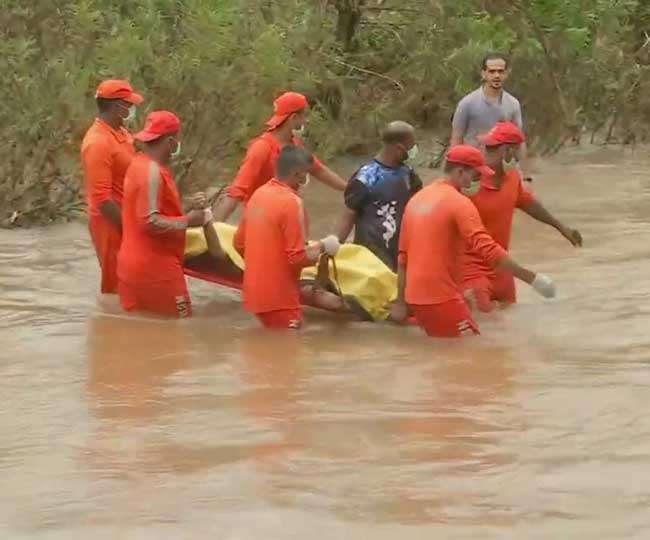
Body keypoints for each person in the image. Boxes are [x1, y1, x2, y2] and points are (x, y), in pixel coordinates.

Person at [391, 145, 556, 338]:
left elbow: (403, 257)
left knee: (448, 353)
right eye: (475, 176)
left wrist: (401, 302)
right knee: (474, 352)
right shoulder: (459, 203)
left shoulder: (418, 199)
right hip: (440, 297)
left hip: (416, 298)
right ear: (460, 172)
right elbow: (487, 248)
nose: (477, 182)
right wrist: (532, 279)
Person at [461, 122, 582, 312]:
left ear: (510, 152)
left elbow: (528, 203)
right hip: (470, 270)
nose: (486, 153)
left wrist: (561, 227)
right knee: (480, 328)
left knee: (508, 324)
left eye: (493, 148)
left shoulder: (512, 179)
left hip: (504, 268)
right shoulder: (468, 183)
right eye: (487, 147)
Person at [117, 111, 213, 318]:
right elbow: (149, 221)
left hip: (130, 267)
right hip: (156, 270)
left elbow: (147, 209)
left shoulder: (137, 165)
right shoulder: (152, 172)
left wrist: (186, 205)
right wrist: (190, 221)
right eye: (177, 139)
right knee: (180, 331)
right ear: (170, 141)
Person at [234, 146, 341, 330]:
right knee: (291, 352)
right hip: (280, 299)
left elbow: (239, 243)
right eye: (307, 174)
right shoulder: (292, 203)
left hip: (254, 295)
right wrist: (324, 246)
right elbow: (296, 258)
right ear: (299, 174)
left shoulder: (258, 195)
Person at [213, 92, 347, 222]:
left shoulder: (295, 144)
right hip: (261, 219)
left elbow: (318, 170)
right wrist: (213, 229)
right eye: (304, 116)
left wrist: (349, 188)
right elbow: (237, 191)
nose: (306, 120)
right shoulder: (261, 148)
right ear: (294, 118)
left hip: (286, 215)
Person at [80, 79, 144, 293]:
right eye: (130, 104)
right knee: (117, 287)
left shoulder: (122, 132)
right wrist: (129, 230)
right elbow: (102, 199)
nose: (133, 108)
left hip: (128, 216)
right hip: (111, 223)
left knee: (135, 280)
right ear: (119, 107)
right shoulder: (97, 143)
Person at [334, 121, 422, 271]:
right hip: (369, 256)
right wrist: (335, 247)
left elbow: (419, 204)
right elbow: (349, 215)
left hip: (400, 253)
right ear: (399, 148)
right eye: (412, 146)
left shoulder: (408, 174)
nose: (414, 150)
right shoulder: (364, 178)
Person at [450, 53, 532, 182]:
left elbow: (519, 142)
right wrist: (455, 175)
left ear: (507, 73)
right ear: (483, 73)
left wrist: (526, 174)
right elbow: (456, 140)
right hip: (473, 173)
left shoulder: (513, 104)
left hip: (501, 171)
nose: (496, 75)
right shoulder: (467, 103)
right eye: (492, 71)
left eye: (500, 71)